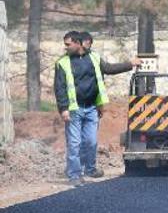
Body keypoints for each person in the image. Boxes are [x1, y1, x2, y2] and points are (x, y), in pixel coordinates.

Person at [53, 31, 142, 186]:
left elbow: (109, 68)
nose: (65, 47)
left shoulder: (93, 57)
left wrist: (130, 64)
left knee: (91, 142)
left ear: (78, 43)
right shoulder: (62, 63)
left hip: (92, 108)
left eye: (68, 44)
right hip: (74, 109)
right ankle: (74, 175)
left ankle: (90, 169)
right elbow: (59, 88)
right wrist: (63, 108)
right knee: (74, 143)